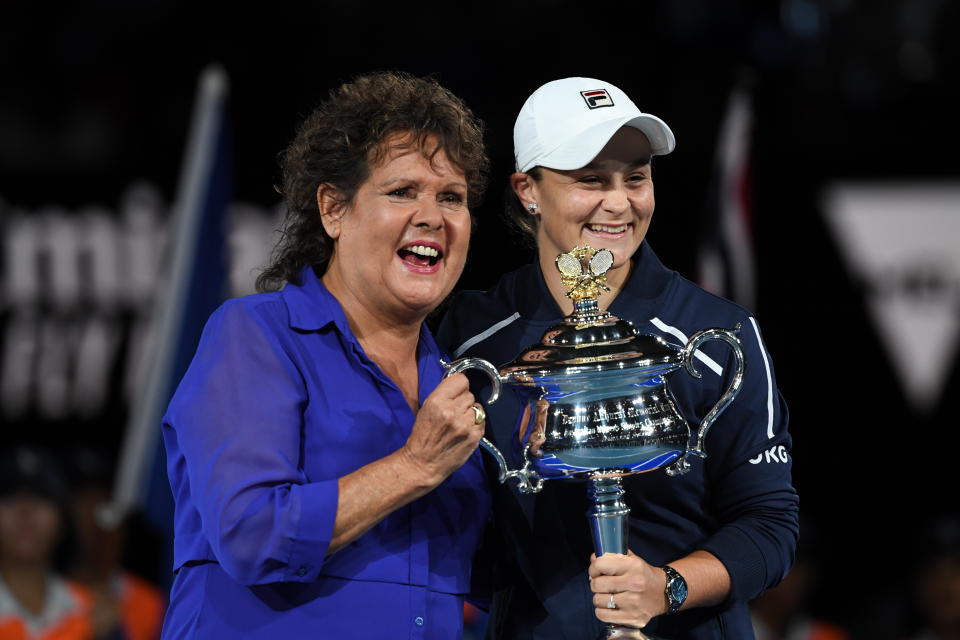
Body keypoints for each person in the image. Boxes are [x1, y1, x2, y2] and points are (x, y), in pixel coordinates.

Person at [438, 77, 799, 638]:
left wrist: (667, 586)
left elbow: (770, 526)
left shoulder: (719, 332)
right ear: (527, 190)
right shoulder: (472, 333)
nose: (619, 202)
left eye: (636, 178)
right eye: (590, 180)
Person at [160, 71, 491, 639]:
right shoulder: (255, 336)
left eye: (451, 197)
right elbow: (250, 535)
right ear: (334, 209)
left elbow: (492, 577)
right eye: (402, 191)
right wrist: (412, 467)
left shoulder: (456, 382)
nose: (432, 216)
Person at [0, 445, 94, 640]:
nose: (25, 510)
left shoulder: (90, 608)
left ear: (63, 520)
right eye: (9, 497)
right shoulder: (92, 622)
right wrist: (81, 631)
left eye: (41, 496)